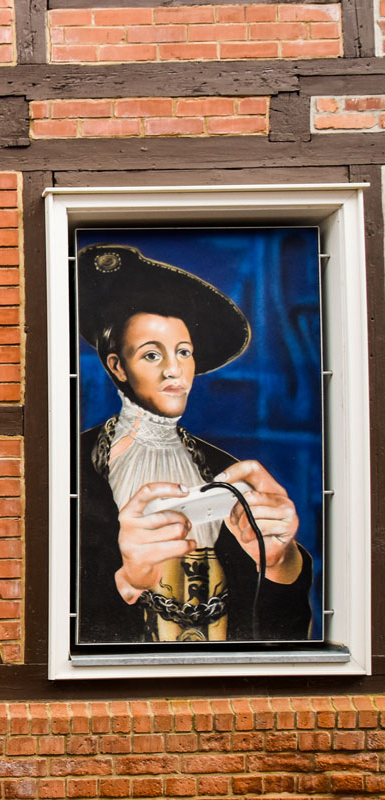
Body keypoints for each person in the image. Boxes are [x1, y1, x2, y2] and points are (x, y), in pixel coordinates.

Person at [76, 244, 312, 643]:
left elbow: (280, 635)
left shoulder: (225, 471)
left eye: (183, 352)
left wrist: (280, 563)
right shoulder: (73, 466)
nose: (174, 369)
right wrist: (127, 579)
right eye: (152, 355)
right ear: (117, 366)